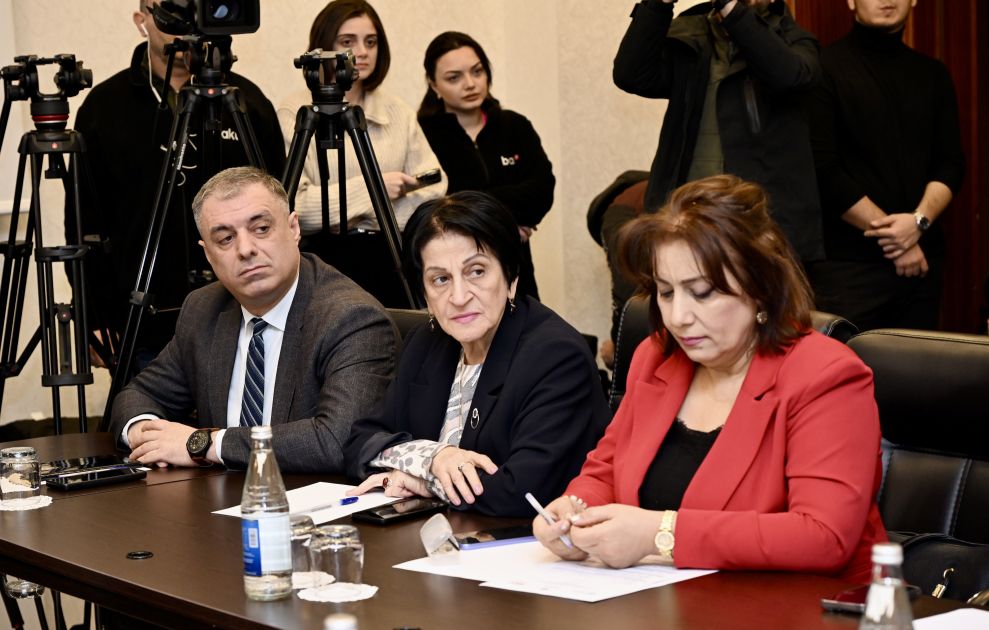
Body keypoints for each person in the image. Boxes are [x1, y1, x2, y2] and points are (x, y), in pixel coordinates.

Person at [533, 176, 886, 582]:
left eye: (701, 293)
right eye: (666, 293)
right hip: (668, 599)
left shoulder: (826, 375)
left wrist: (661, 534)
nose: (678, 317)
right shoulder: (656, 356)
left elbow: (823, 536)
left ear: (761, 287)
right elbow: (606, 471)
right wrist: (574, 511)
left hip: (811, 603)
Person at [109, 167, 398, 473]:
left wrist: (205, 444)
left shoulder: (351, 318)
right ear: (208, 254)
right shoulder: (203, 308)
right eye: (225, 238)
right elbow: (138, 395)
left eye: (261, 229)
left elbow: (337, 441)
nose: (245, 249)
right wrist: (146, 435)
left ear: (294, 228)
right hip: (216, 495)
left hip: (308, 497)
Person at [344, 192, 610, 517]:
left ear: (511, 278)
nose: (459, 297)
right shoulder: (426, 342)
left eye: (477, 272)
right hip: (436, 535)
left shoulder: (556, 356)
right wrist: (433, 458)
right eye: (441, 279)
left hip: (528, 540)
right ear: (424, 294)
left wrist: (424, 481)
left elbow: (523, 490)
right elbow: (362, 442)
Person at [66, 0, 286, 363]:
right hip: (140, 319)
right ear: (142, 20)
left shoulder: (247, 102)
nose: (185, 22)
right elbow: (84, 220)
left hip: (245, 312)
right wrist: (94, 314)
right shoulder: (105, 107)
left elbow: (278, 204)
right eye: (171, 9)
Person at [612, 0, 823, 264]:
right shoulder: (692, 31)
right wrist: (658, 5)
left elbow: (789, 76)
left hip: (760, 226)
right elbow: (631, 75)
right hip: (685, 216)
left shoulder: (793, 38)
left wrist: (731, 9)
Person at [806, 0, 965, 331]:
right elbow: (824, 172)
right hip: (848, 268)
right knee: (845, 363)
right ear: (851, 1)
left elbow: (950, 164)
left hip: (922, 264)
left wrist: (917, 224)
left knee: (921, 364)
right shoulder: (823, 69)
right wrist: (898, 241)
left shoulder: (933, 74)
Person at [277, 0, 445, 307]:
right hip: (321, 262)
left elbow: (435, 191)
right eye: (347, 42)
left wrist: (354, 216)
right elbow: (293, 208)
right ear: (323, 46)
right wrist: (377, 191)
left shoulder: (398, 111)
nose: (362, 52)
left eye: (370, 42)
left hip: (392, 256)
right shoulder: (295, 112)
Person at [417, 31, 555, 301]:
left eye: (477, 71)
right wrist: (505, 224)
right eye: (454, 78)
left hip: (515, 269)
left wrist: (469, 204)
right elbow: (432, 207)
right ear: (434, 85)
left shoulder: (515, 126)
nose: (470, 84)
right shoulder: (422, 135)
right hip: (454, 276)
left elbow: (541, 191)